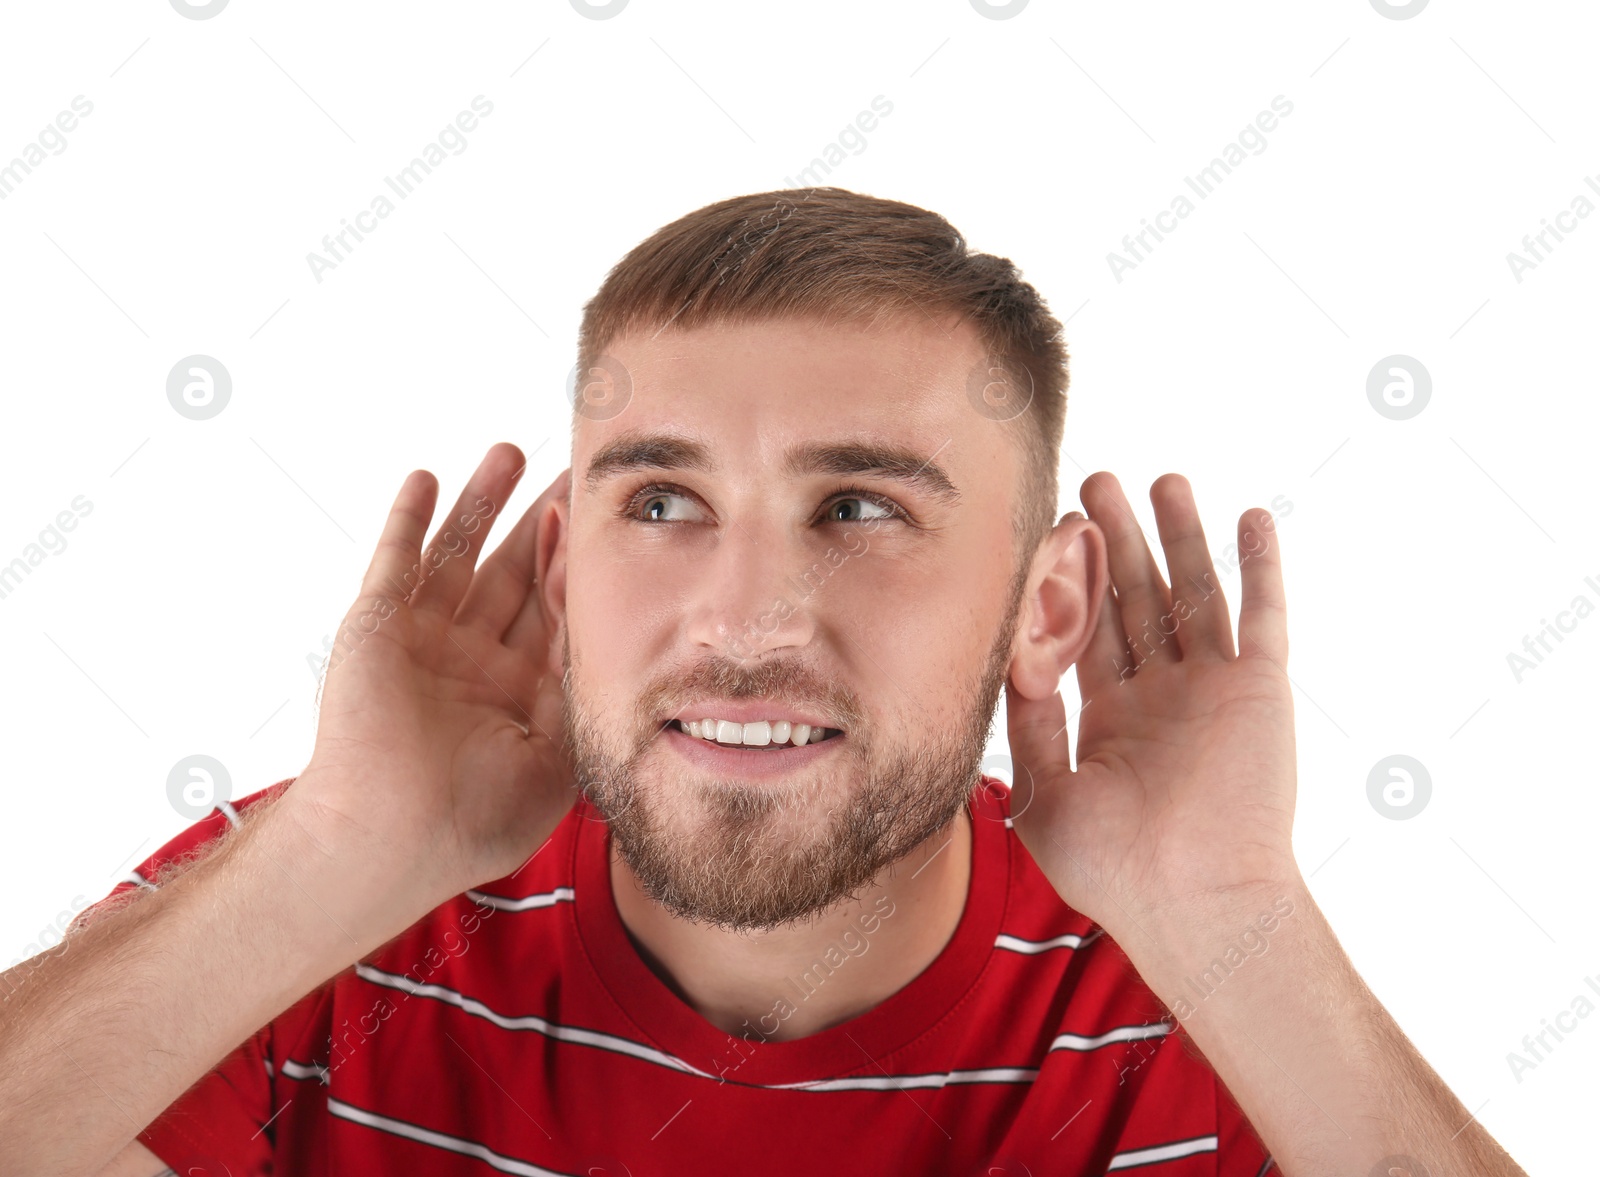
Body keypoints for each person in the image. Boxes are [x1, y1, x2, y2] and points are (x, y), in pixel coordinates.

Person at [0, 188, 1526, 1177]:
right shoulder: (324, 902)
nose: (744, 615)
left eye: (862, 508)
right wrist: (330, 858)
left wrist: (1235, 920)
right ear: (558, 569)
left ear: (1043, 604)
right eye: (660, 503)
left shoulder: (1188, 1007)